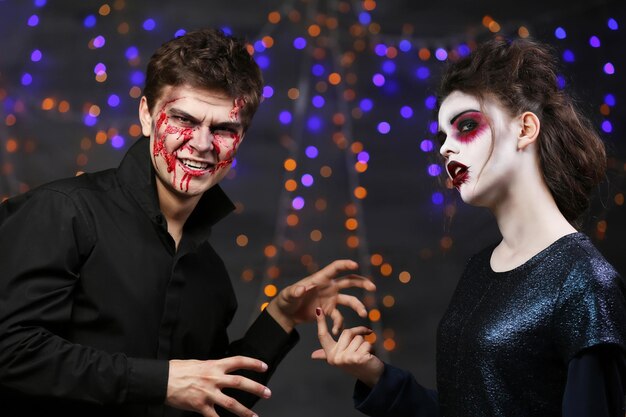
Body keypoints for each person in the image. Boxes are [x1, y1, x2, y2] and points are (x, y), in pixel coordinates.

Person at [0, 28, 376, 417]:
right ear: (147, 115)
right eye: (183, 119)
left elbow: (208, 400)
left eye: (223, 129)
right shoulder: (63, 212)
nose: (201, 143)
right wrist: (158, 381)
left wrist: (280, 317)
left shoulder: (210, 274)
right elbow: (9, 350)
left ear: (240, 139)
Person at [311, 37, 626, 416]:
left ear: (525, 129)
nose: (445, 148)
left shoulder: (586, 281)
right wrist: (375, 376)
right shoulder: (480, 269)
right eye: (442, 136)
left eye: (466, 126)